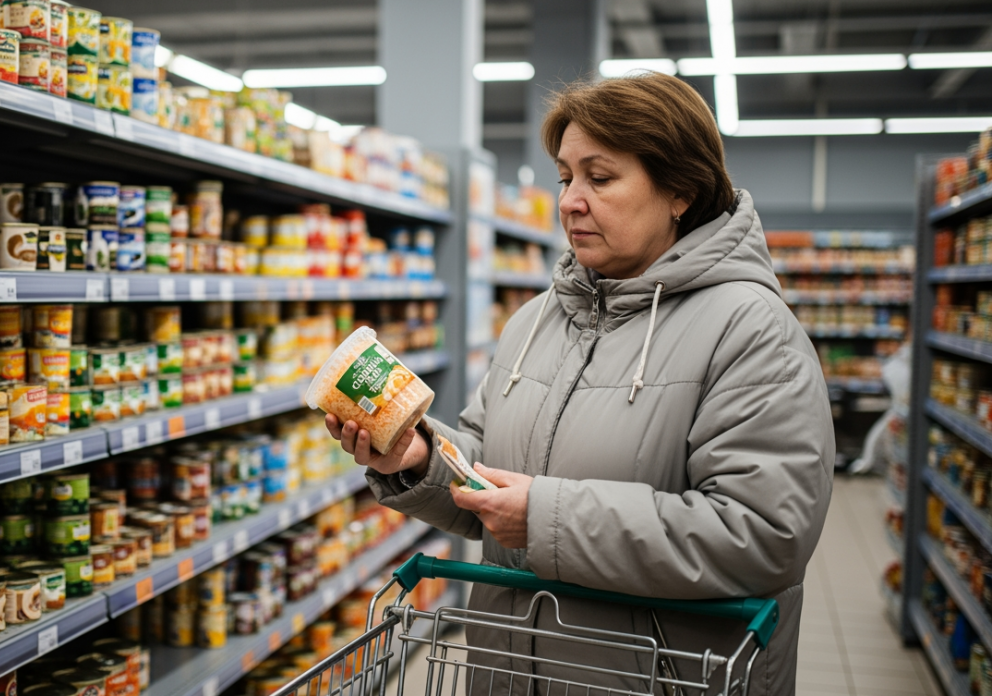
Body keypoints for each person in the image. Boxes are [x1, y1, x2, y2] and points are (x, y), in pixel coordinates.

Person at [324, 72, 833, 695]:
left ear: (681, 190)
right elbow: (487, 477)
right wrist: (422, 459)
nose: (568, 201)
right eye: (565, 177)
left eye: (601, 177)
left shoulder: (752, 332)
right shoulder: (533, 322)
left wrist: (545, 517)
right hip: (506, 674)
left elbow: (762, 536)